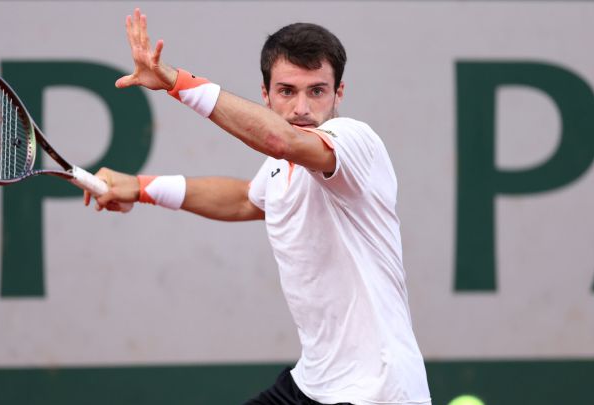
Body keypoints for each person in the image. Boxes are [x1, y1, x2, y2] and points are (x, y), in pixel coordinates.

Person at [85, 8, 432, 405]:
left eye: (316, 91)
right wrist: (141, 187)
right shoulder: (281, 169)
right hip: (313, 382)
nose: (301, 108)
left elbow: (281, 140)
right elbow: (243, 199)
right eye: (287, 91)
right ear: (265, 95)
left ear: (339, 94)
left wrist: (175, 82)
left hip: (378, 391)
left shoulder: (353, 141)